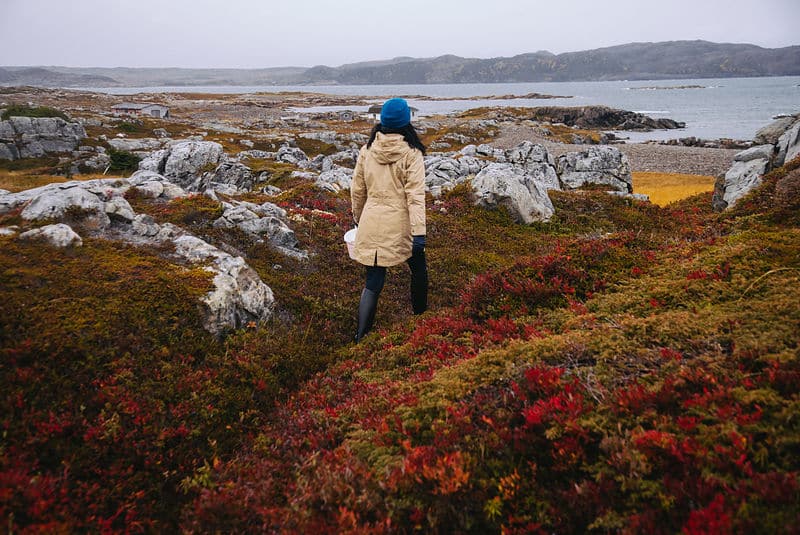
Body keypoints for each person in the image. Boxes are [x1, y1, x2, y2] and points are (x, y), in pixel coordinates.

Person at [350, 97, 428, 342]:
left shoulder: (367, 150)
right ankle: (422, 322)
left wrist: (358, 219)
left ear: (383, 121)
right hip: (401, 224)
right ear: (407, 122)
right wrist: (419, 232)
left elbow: (357, 190)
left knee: (373, 282)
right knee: (418, 269)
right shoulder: (412, 153)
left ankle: (361, 336)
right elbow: (415, 195)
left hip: (371, 220)